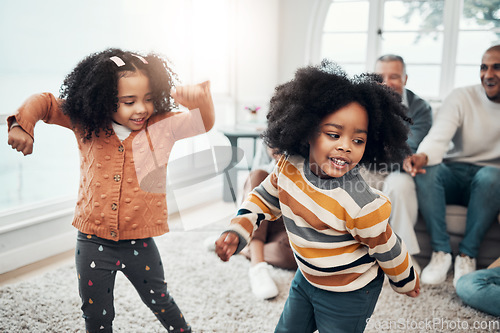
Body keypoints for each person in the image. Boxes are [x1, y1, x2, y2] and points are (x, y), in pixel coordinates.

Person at [7, 48, 215, 333]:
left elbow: (201, 123)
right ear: (104, 99)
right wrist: (23, 125)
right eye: (129, 101)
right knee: (95, 313)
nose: (141, 108)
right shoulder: (86, 121)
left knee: (160, 300)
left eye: (149, 99)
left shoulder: (161, 126)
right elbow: (45, 103)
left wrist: (202, 103)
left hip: (139, 241)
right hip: (92, 241)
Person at [215, 60, 420, 333]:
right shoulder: (289, 166)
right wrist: (239, 228)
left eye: (358, 140)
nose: (345, 146)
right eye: (334, 134)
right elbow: (263, 198)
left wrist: (405, 279)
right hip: (307, 276)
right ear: (308, 128)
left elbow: (386, 244)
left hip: (351, 291)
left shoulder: (360, 203)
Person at [404, 44, 500, 288]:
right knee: (428, 171)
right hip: (453, 172)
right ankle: (441, 253)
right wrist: (422, 156)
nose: (488, 75)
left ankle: (467, 255)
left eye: (497, 67)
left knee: (491, 176)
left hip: (489, 181)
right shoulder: (462, 96)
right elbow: (439, 135)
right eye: (484, 67)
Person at [369, 54, 433, 272]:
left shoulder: (421, 108)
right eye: (380, 76)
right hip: (368, 168)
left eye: (394, 76)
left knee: (401, 186)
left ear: (405, 79)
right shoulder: (364, 103)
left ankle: (402, 255)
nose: (387, 83)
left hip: (398, 170)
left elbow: (410, 148)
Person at [239, 144, 297, 300]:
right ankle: (257, 266)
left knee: (297, 255)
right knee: (258, 176)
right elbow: (251, 194)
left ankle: (244, 246)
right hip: (261, 219)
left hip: (286, 225)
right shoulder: (266, 147)